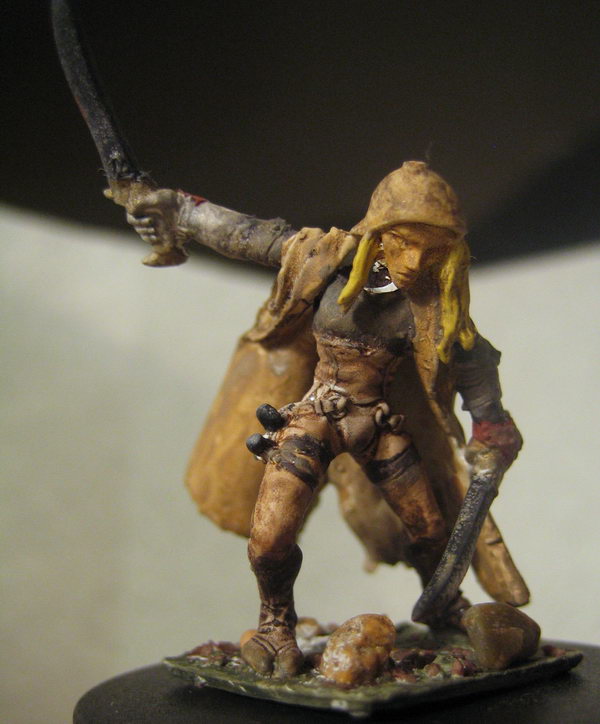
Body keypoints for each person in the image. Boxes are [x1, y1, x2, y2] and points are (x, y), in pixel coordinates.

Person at [127, 161, 527, 678]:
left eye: (431, 251)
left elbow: (476, 371)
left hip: (379, 425)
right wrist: (181, 212)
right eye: (404, 242)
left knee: (430, 530)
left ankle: (445, 606)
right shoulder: (323, 259)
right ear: (379, 232)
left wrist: (493, 430)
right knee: (269, 537)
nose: (415, 261)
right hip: (315, 415)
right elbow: (247, 235)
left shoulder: (438, 311)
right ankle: (275, 623)